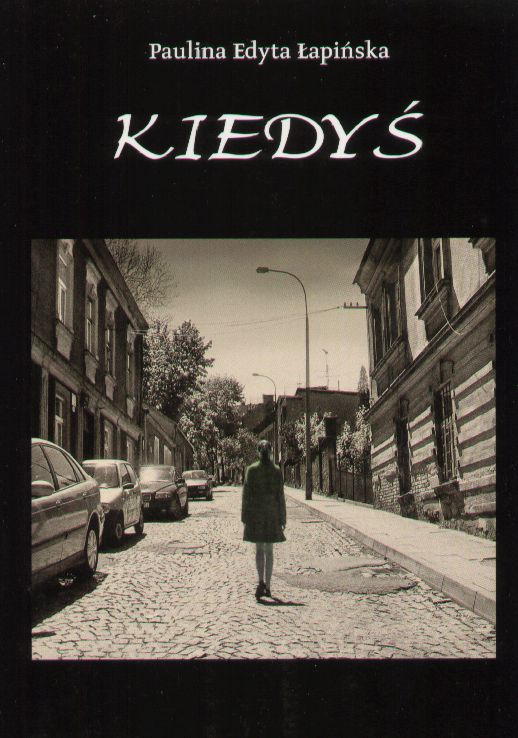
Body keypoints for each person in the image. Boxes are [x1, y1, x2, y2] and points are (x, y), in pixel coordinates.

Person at [241, 439, 287, 600]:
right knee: (269, 550)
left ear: (258, 452)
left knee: (260, 549)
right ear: (271, 452)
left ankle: (261, 581)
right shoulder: (276, 471)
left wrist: (245, 516)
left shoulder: (252, 470)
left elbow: (246, 495)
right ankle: (267, 585)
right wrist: (282, 517)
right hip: (271, 515)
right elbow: (280, 496)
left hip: (257, 515)